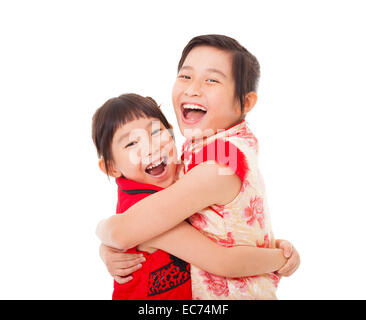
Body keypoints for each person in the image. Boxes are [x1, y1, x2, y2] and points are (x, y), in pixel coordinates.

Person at [96, 35, 300, 299]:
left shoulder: (218, 164)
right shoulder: (210, 145)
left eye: (212, 80)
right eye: (185, 76)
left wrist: (280, 259)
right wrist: (109, 247)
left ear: (246, 103)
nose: (192, 89)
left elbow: (122, 232)